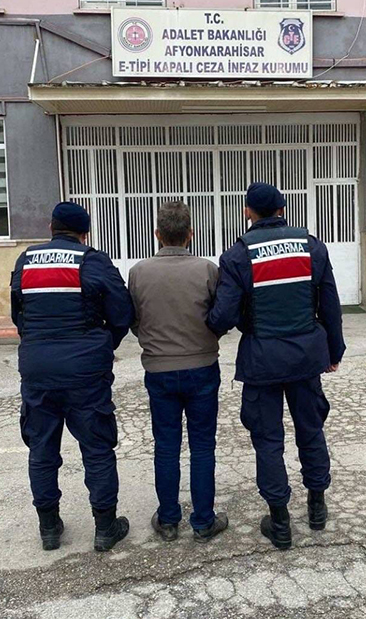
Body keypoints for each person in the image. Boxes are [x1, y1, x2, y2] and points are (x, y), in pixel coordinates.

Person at [207, 182, 346, 550]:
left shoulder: (238, 254)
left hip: (262, 360)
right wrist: (334, 351)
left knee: (268, 440)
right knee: (311, 430)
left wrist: (215, 325)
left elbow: (223, 315)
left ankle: (280, 522)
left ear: (247, 212)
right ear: (283, 209)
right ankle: (316, 508)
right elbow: (330, 304)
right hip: (306, 358)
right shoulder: (311, 246)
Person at [10, 202, 134, 552]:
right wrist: (102, 344)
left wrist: (38, 344)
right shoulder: (92, 260)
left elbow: (18, 315)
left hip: (38, 370)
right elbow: (122, 313)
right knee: (97, 447)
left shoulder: (26, 260)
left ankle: (49, 528)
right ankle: (105, 528)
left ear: (51, 228)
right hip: (86, 371)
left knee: (42, 449)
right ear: (84, 234)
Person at [128, 201, 228, 544]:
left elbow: (134, 320)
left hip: (159, 369)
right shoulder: (207, 270)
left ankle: (169, 520)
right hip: (202, 367)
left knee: (166, 445)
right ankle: (203, 521)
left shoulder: (139, 272)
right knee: (202, 446)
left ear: (157, 234)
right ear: (190, 234)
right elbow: (220, 316)